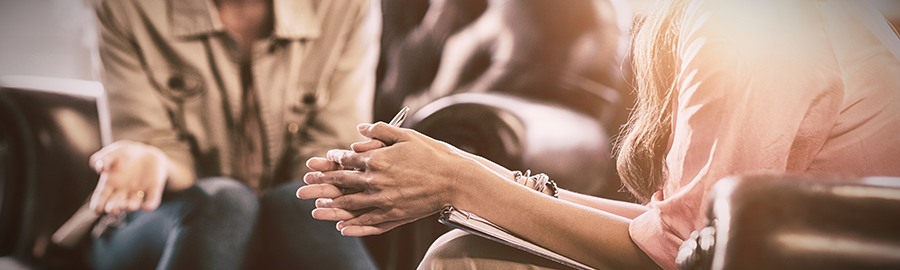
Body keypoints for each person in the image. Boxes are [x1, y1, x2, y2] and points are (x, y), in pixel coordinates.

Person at [296, 0, 900, 269]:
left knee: (468, 262)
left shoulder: (750, 22)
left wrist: (461, 180)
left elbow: (681, 254)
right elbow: (678, 228)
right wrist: (484, 178)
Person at [86, 0, 380, 269]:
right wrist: (155, 160)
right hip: (158, 215)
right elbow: (152, 140)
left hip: (289, 214)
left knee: (305, 204)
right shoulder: (127, 6)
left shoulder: (346, 5)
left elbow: (330, 149)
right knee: (226, 205)